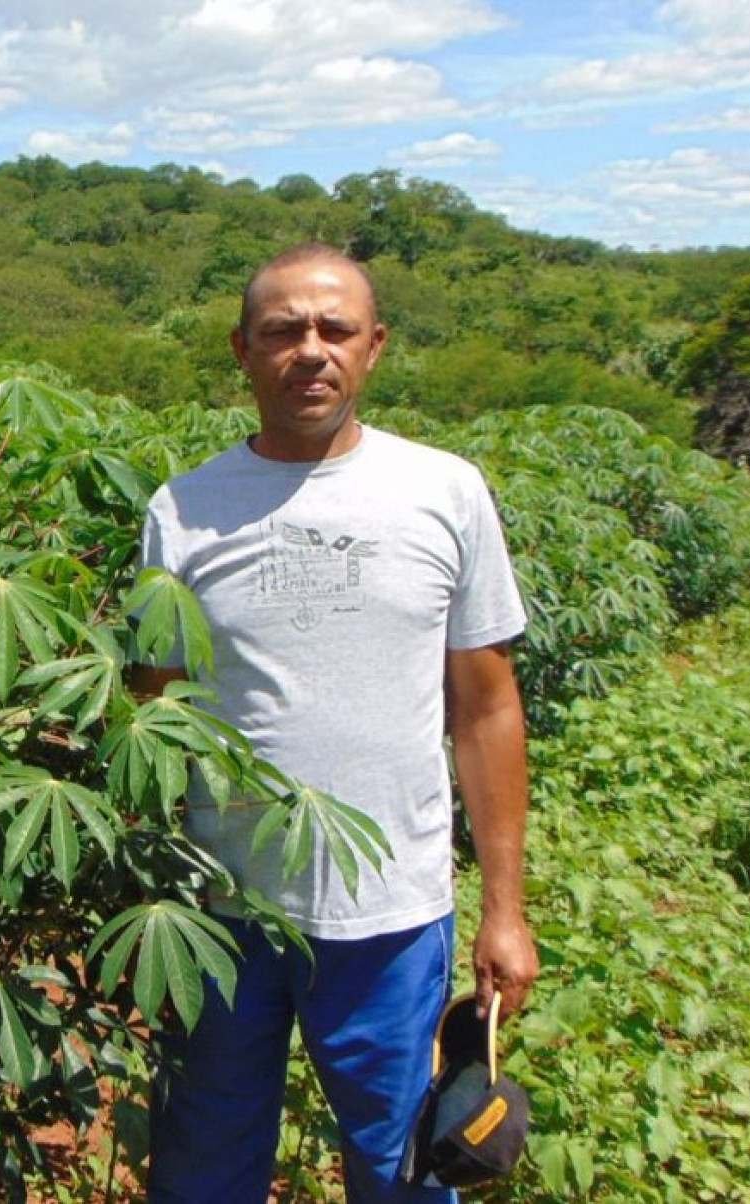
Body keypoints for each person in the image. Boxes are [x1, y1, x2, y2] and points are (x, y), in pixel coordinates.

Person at [130, 243, 538, 1202]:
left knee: (402, 1170)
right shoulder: (184, 508)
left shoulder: (445, 491)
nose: (310, 351)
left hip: (391, 911)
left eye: (335, 330)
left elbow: (485, 709)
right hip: (222, 908)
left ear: (375, 347)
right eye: (283, 331)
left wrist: (505, 909)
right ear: (243, 350)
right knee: (204, 1166)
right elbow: (155, 709)